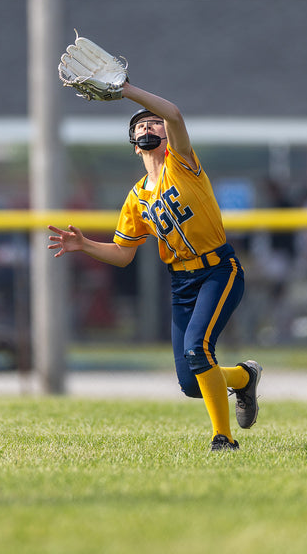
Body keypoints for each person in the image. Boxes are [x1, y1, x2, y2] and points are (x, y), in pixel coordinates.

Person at [47, 79, 262, 452]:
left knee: (198, 350)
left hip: (217, 270)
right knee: (191, 382)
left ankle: (222, 439)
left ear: (167, 134)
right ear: (134, 145)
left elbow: (175, 114)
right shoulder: (136, 198)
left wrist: (126, 90)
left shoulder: (182, 164)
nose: (149, 126)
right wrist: (84, 245)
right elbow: (122, 253)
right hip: (180, 282)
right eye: (141, 125)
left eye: (154, 122)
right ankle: (243, 377)